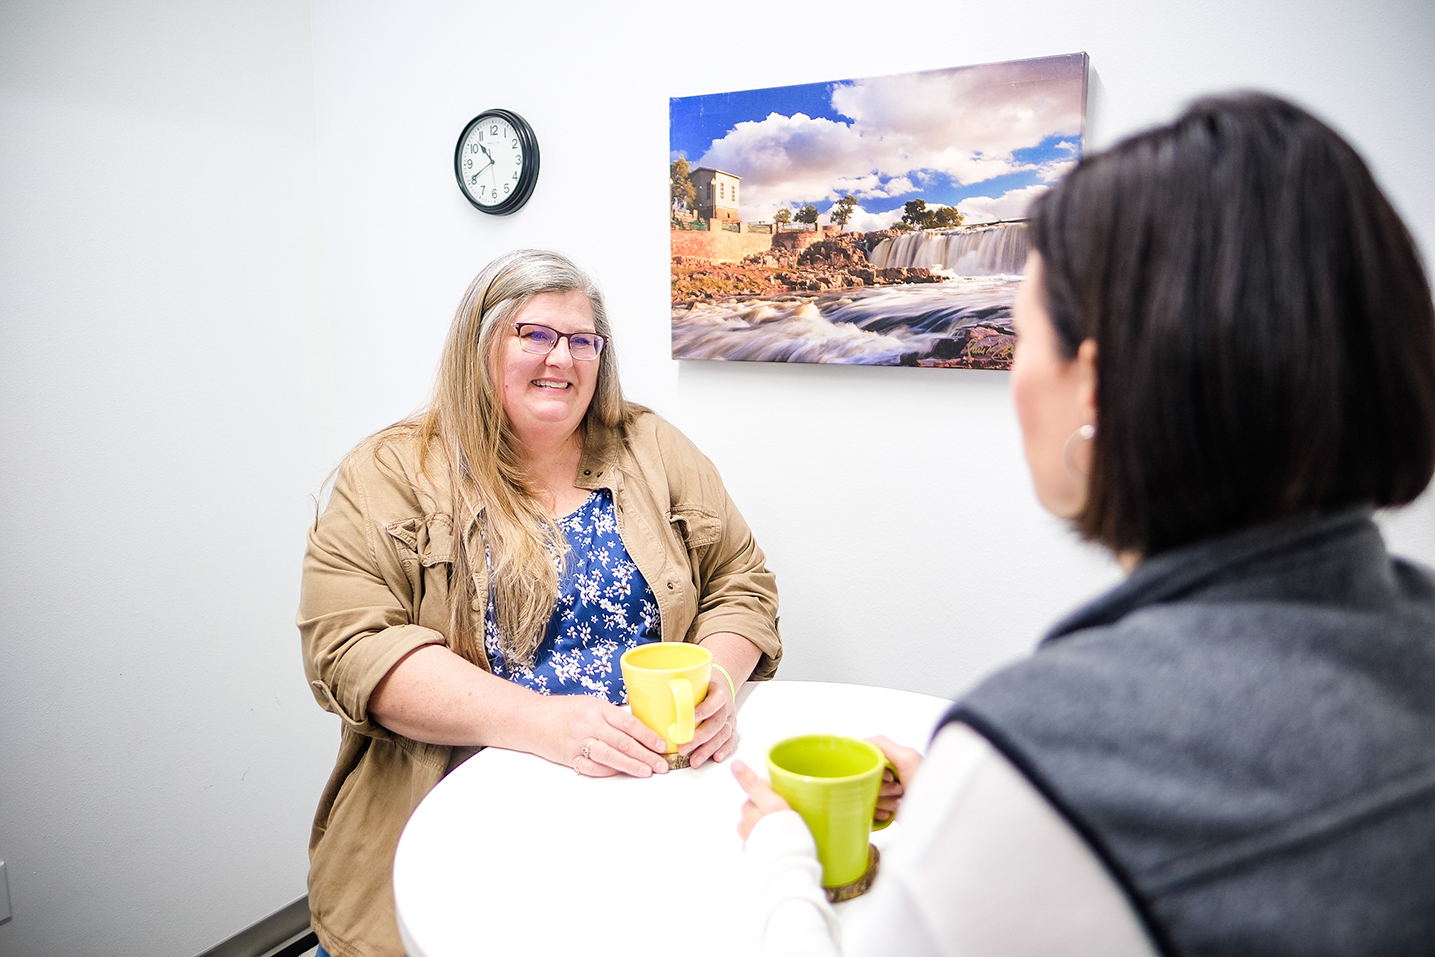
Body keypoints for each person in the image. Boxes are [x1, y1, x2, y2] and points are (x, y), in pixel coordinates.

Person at [734, 92, 1435, 956]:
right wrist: (981, 821)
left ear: (1094, 388)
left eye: (1019, 334)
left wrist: (783, 857)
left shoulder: (1048, 760)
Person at [298, 249, 782, 957]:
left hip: (645, 808)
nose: (562, 357)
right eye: (534, 333)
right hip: (458, 818)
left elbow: (741, 580)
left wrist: (717, 674)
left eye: (582, 339)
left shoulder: (655, 448)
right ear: (480, 341)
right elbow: (350, 650)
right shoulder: (388, 471)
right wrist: (544, 723)